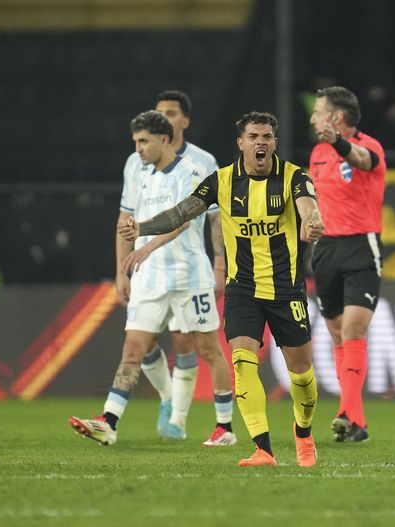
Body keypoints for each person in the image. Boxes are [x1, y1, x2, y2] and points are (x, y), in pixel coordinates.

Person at [119, 111, 325, 467]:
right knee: (243, 362)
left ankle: (304, 434)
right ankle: (262, 448)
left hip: (286, 289)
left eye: (267, 137)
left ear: (275, 143)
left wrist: (312, 220)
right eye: (254, 136)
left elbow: (309, 207)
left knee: (302, 375)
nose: (261, 142)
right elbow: (181, 213)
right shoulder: (221, 182)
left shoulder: (294, 176)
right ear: (241, 143)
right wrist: (142, 228)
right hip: (242, 288)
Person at [68, 110, 234, 446]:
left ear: (164, 139)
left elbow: (182, 221)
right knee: (134, 348)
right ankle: (109, 422)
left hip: (189, 275)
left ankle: (225, 428)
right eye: (136, 142)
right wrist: (125, 264)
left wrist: (145, 247)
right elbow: (127, 221)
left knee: (208, 349)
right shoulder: (143, 175)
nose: (139, 149)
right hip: (150, 278)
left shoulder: (190, 173)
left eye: (144, 141)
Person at [117, 90, 235, 446]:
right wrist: (120, 269)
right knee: (141, 342)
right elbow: (125, 217)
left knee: (192, 344)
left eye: (171, 112)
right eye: (160, 112)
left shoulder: (201, 162)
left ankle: (182, 420)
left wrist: (219, 263)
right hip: (148, 271)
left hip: (187, 269)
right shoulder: (137, 163)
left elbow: (210, 218)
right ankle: (168, 401)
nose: (165, 116)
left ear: (183, 121)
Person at [309, 86, 385, 443]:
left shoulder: (369, 146)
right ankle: (355, 422)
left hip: (360, 247)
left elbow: (363, 160)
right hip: (325, 251)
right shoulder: (317, 154)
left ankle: (344, 411)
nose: (312, 117)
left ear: (336, 117)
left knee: (354, 330)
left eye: (318, 110)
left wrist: (339, 142)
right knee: (338, 335)